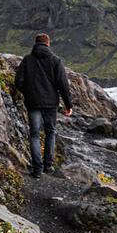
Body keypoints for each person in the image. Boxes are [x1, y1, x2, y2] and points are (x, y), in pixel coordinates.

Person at [14, 33, 73, 177]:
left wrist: (28, 92)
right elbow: (63, 85)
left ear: (35, 44)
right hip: (51, 103)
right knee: (50, 132)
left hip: (33, 102)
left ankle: (37, 169)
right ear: (48, 44)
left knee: (34, 134)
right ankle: (48, 166)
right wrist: (68, 105)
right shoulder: (55, 61)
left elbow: (18, 82)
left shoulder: (27, 60)